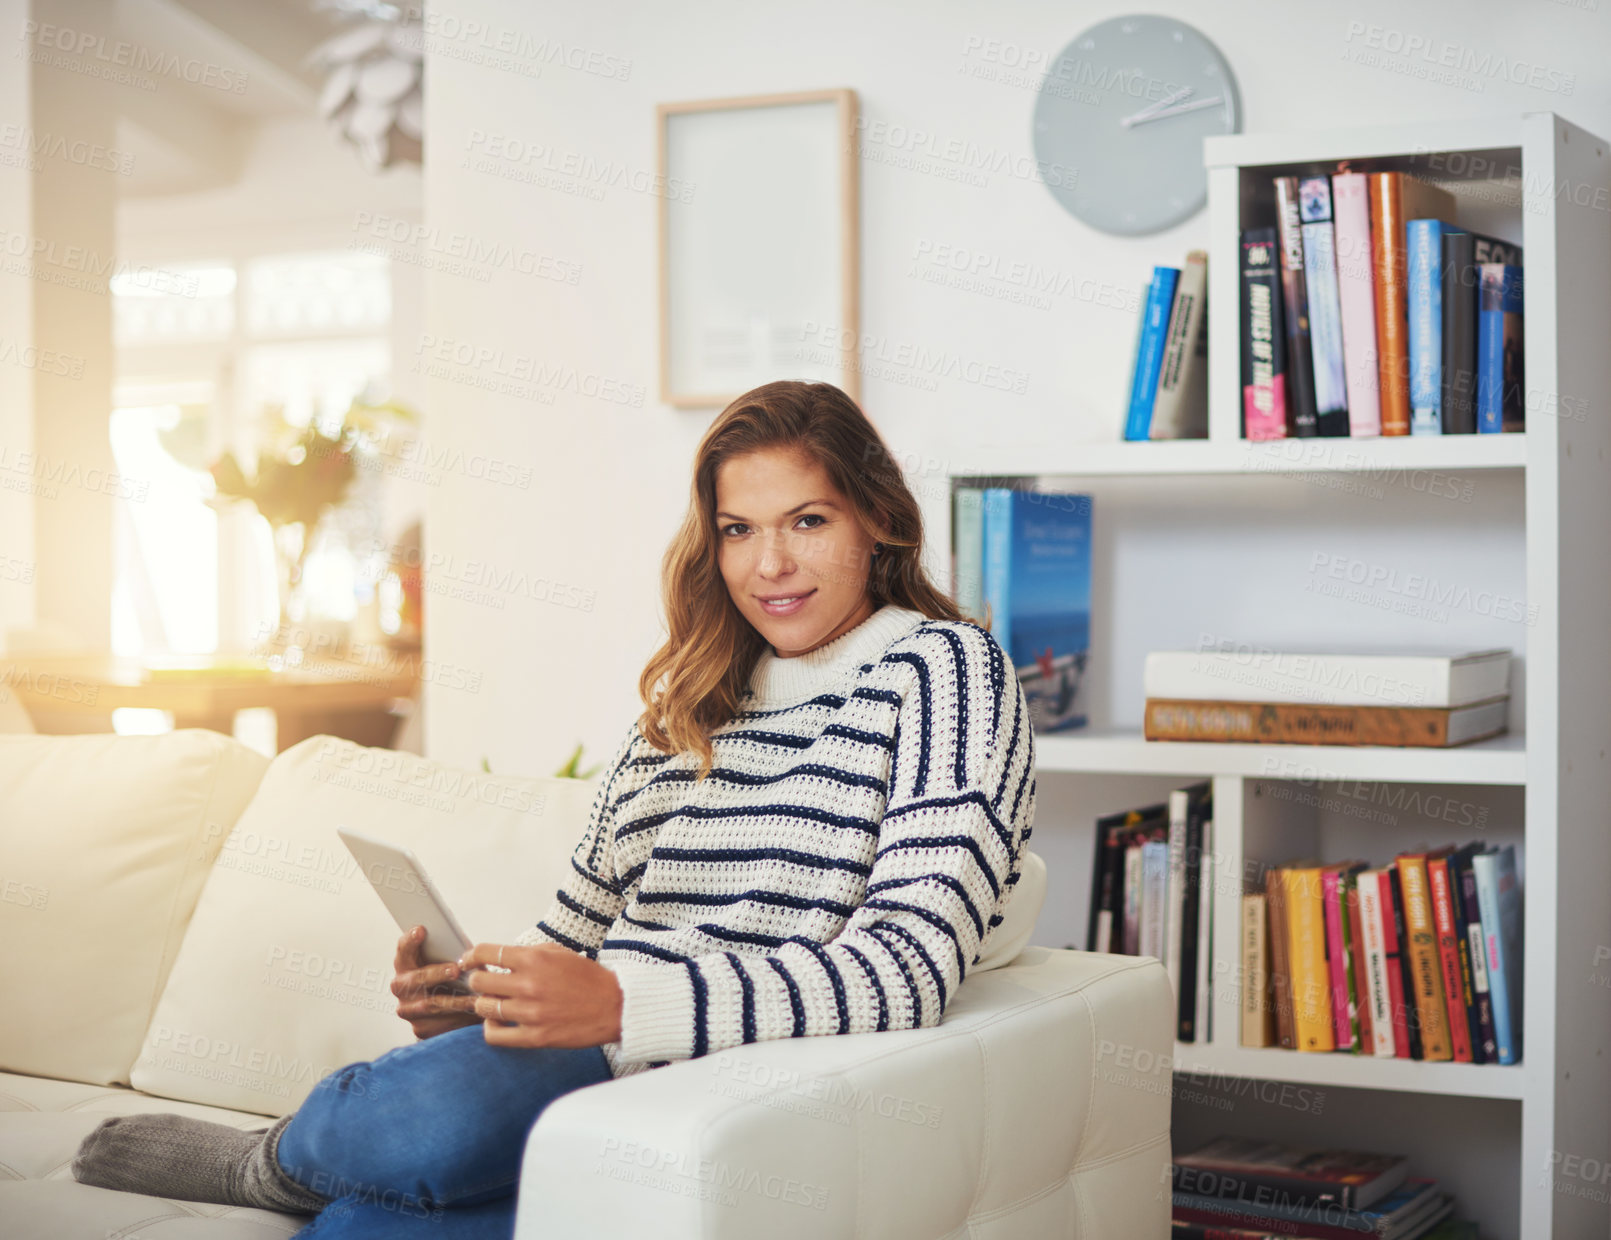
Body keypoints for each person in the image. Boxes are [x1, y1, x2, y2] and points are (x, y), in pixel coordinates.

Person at [71, 379, 1038, 1237]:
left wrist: (620, 1005)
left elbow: (908, 967)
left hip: (734, 1082)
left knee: (425, 1139)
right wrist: (474, 999)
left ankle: (265, 1167)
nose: (769, 565)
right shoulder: (688, 701)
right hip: (588, 1066)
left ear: (878, 522)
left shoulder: (944, 671)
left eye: (808, 521)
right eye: (739, 530)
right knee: (374, 1221)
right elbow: (571, 933)